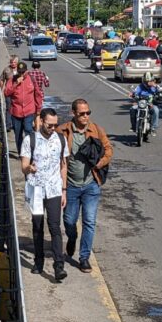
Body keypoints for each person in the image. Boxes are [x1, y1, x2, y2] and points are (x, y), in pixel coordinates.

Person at [58, 99, 112, 273]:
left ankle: (84, 258)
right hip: (71, 186)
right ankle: (72, 238)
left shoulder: (96, 130)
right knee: (69, 221)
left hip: (91, 185)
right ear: (73, 113)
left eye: (88, 113)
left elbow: (108, 149)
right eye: (82, 113)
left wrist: (99, 163)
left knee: (89, 222)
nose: (86, 116)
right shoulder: (63, 131)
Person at [21, 107, 69, 281]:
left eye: (55, 125)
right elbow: (24, 165)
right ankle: (38, 261)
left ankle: (58, 266)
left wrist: (64, 190)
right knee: (38, 227)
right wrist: (29, 168)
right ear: (41, 121)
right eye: (50, 125)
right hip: (37, 189)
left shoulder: (61, 140)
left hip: (55, 189)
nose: (53, 128)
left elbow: (63, 166)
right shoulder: (30, 140)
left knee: (55, 227)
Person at [4, 61, 43, 155]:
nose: (21, 74)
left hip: (29, 111)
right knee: (18, 134)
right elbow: (6, 93)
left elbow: (38, 94)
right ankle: (21, 153)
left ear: (26, 71)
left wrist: (38, 109)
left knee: (29, 130)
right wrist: (16, 84)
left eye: (23, 72)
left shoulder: (31, 79)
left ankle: (31, 152)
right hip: (16, 112)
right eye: (19, 72)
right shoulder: (12, 80)